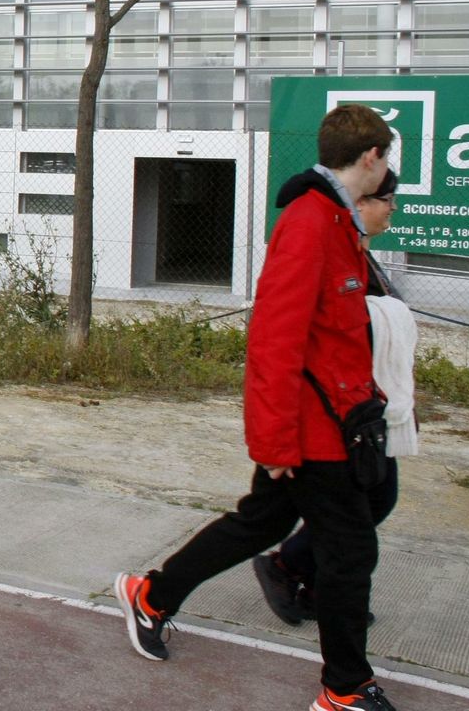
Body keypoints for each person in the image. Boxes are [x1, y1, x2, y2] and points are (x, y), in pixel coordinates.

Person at [114, 103, 400, 711]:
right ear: (372, 157)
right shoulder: (310, 222)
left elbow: (335, 336)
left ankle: (152, 595)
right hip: (313, 432)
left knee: (262, 524)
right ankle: (345, 689)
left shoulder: (338, 222)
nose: (388, 174)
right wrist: (272, 444)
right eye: (388, 160)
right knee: (349, 554)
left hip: (340, 423)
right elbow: (273, 340)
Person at [252, 168, 419, 626]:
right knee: (283, 522)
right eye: (386, 200)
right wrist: (275, 436)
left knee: (371, 501)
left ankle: (307, 580)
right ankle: (299, 581)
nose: (392, 209)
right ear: (361, 201)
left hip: (359, 407)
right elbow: (285, 337)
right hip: (326, 413)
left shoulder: (357, 251)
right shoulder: (322, 238)